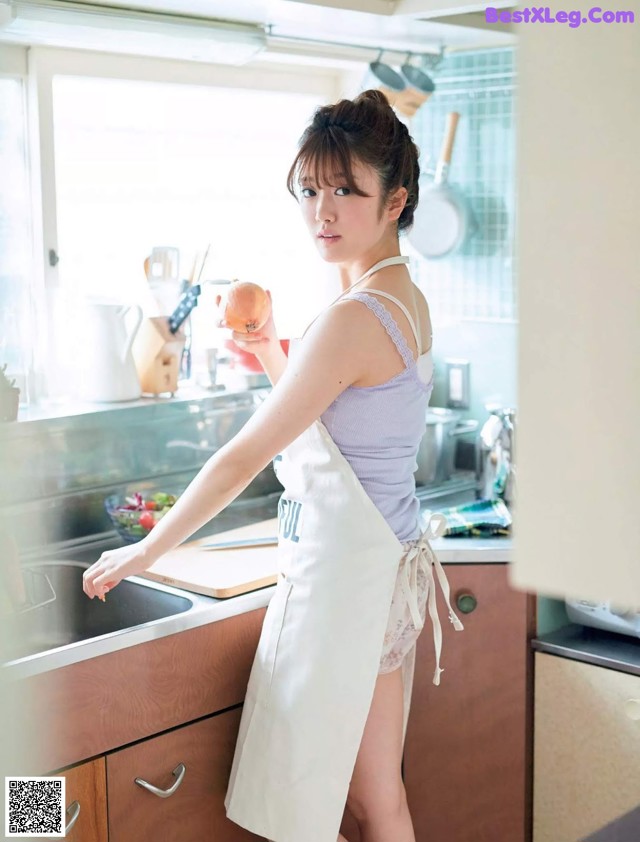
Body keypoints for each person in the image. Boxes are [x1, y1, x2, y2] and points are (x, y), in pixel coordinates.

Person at [82, 89, 464, 842]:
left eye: (346, 190)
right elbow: (334, 418)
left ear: (396, 200)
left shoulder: (355, 316)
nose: (323, 210)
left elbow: (240, 459)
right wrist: (268, 355)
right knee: (375, 798)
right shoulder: (400, 297)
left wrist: (145, 548)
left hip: (345, 591)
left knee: (317, 804)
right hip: (378, 573)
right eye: (311, 189)